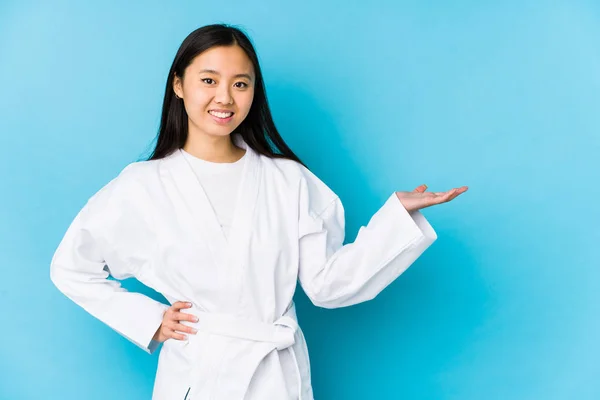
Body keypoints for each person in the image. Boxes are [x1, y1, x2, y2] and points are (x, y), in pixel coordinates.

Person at [50, 24, 468, 400]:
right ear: (179, 85)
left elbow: (327, 285)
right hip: (199, 375)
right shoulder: (142, 186)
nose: (224, 97)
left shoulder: (288, 180)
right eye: (208, 80)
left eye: (241, 84)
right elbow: (71, 267)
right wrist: (152, 320)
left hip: (276, 377)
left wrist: (396, 218)